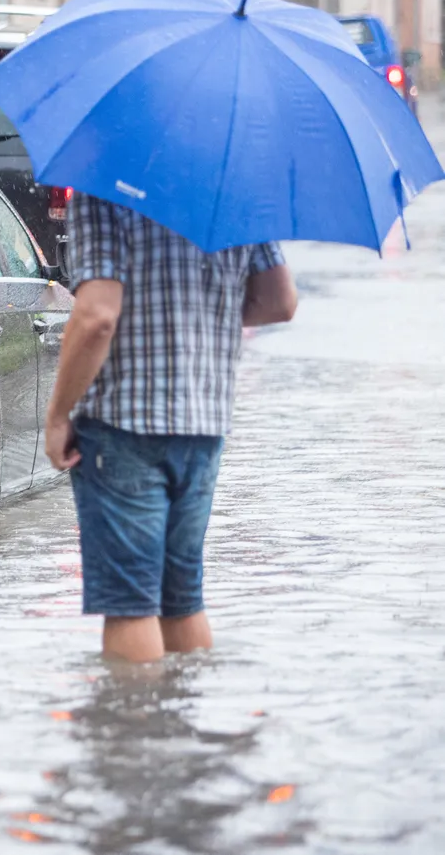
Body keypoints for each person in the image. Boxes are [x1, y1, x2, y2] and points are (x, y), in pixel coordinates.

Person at [45, 194, 298, 663]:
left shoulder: (104, 185)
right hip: (204, 423)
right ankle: (183, 725)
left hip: (122, 423)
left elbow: (98, 315)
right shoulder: (237, 187)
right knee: (182, 601)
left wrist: (58, 415)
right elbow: (280, 302)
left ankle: (138, 729)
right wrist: (204, 318)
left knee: (130, 606)